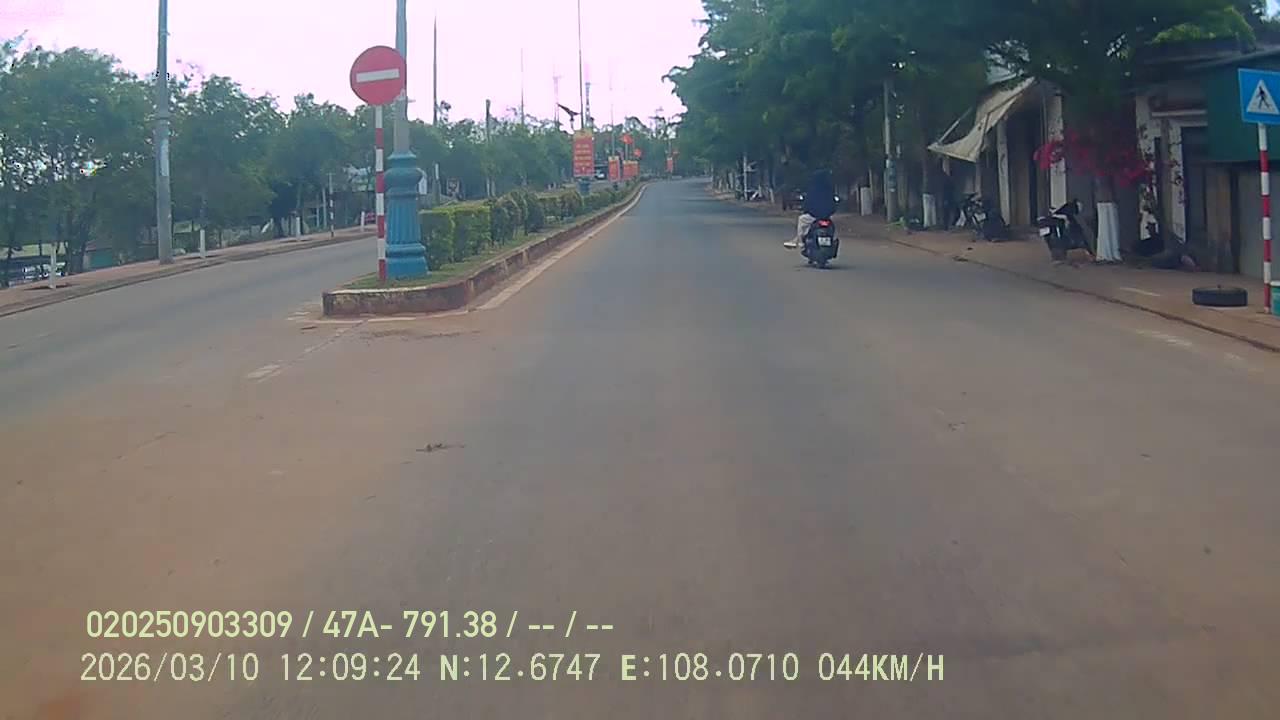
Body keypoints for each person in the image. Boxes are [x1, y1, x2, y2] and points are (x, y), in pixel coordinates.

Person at [784, 170, 836, 249]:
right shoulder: (829, 189)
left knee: (801, 219)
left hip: (814, 216)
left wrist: (806, 209)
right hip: (827, 216)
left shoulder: (813, 189)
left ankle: (800, 241)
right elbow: (833, 205)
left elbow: (808, 203)